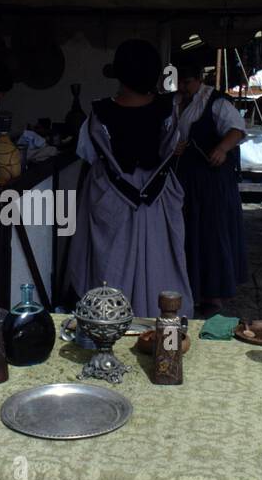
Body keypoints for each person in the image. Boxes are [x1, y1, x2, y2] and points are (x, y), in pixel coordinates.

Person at [66, 39, 193, 318]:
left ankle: (108, 326)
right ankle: (160, 325)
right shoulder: (169, 110)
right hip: (157, 203)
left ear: (120, 73)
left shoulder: (97, 115)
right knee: (159, 263)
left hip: (111, 201)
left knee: (109, 268)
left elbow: (86, 153)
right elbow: (172, 148)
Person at [172, 50, 248, 316]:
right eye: (180, 82)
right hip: (185, 178)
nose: (183, 87)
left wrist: (222, 149)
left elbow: (237, 129)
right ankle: (189, 289)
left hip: (211, 181)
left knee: (211, 235)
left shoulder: (215, 102)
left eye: (188, 82)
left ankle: (213, 296)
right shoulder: (176, 101)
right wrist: (174, 147)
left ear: (199, 79)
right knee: (188, 234)